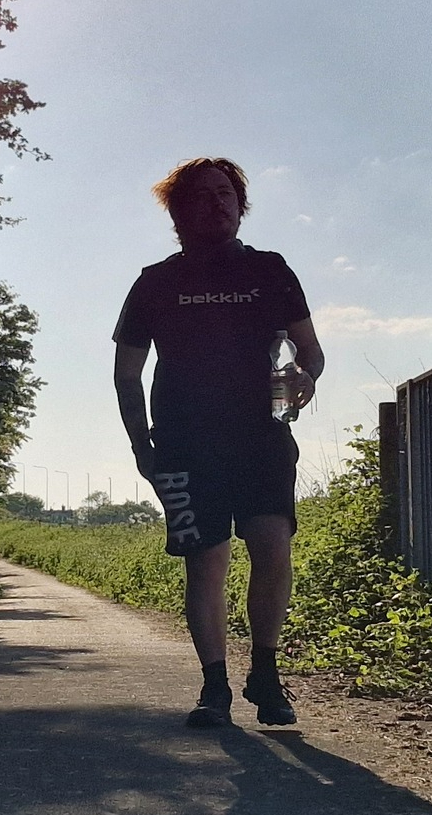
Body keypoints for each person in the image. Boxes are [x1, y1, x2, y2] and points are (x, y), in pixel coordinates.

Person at [112, 157, 324, 727]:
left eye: (227, 193)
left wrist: (305, 376)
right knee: (206, 562)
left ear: (241, 204)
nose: (218, 203)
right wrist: (141, 447)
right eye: (204, 195)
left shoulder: (271, 270)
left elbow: (311, 351)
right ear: (178, 211)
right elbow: (127, 374)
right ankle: (214, 688)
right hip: (184, 441)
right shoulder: (155, 282)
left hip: (262, 435)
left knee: (272, 547)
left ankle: (266, 674)